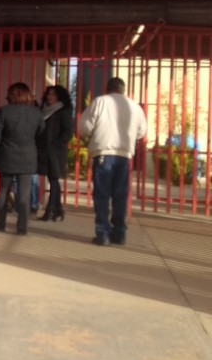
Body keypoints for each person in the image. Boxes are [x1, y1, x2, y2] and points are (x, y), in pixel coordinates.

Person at [79, 77, 147, 246]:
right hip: (124, 155)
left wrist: (94, 134)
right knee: (120, 195)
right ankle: (120, 233)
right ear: (123, 89)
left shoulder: (100, 102)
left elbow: (84, 127)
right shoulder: (135, 107)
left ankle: (103, 234)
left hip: (103, 152)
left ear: (108, 88)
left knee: (102, 195)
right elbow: (142, 131)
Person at [0, 83, 45, 235]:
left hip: (6, 155)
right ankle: (22, 228)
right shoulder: (36, 113)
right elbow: (42, 136)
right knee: (24, 194)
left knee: (3, 191)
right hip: (28, 157)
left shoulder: (4, 111)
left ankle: (0, 224)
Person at [37, 85, 74, 222]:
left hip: (56, 150)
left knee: (53, 178)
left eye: (53, 95)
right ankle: (58, 210)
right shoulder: (43, 110)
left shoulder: (64, 110)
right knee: (52, 178)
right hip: (44, 149)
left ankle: (50, 210)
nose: (50, 97)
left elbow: (68, 132)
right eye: (49, 94)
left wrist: (58, 143)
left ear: (59, 96)